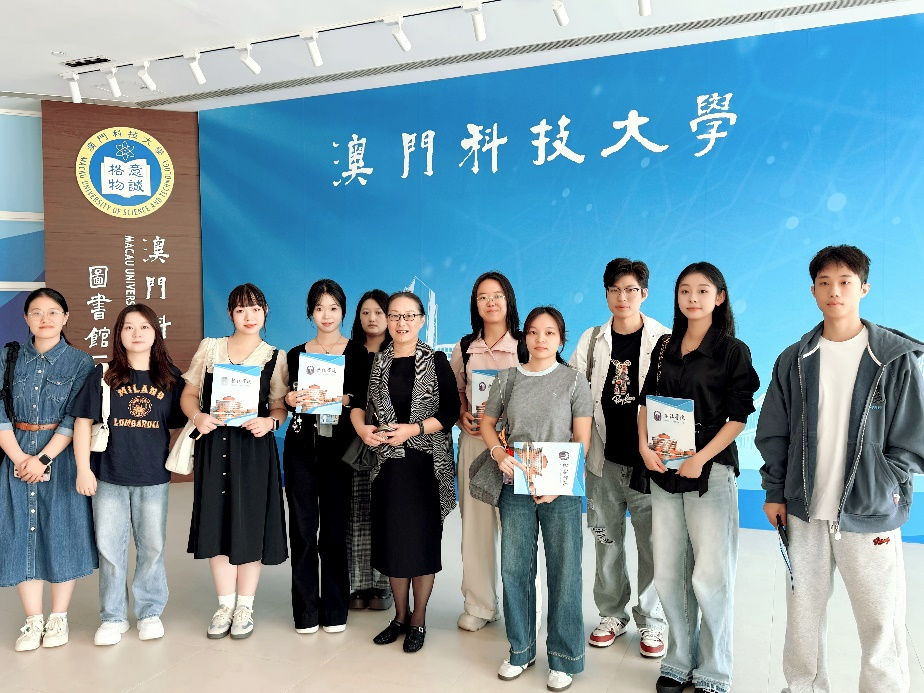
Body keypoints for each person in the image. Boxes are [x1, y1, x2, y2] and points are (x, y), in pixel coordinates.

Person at [756, 245, 923, 693]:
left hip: (870, 512)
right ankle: (803, 687)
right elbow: (773, 432)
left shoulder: (894, 359)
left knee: (880, 623)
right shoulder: (794, 359)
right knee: (803, 619)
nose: (835, 291)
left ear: (863, 288)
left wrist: (886, 483)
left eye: (845, 282)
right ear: (813, 291)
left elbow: (914, 437)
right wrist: (774, 492)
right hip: (804, 511)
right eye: (825, 283)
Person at [638, 262, 759, 693]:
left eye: (703, 290)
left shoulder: (732, 351)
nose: (693, 298)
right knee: (669, 573)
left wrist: (700, 458)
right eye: (685, 290)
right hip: (663, 471)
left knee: (711, 576)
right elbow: (645, 403)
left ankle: (714, 670)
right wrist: (644, 446)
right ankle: (678, 660)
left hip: (711, 472)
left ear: (719, 297)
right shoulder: (664, 345)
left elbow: (738, 417)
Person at [481, 306, 593, 693]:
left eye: (549, 333)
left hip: (560, 488)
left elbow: (582, 440)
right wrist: (498, 452)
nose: (540, 339)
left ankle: (564, 658)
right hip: (516, 482)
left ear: (561, 339)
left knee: (564, 572)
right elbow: (488, 423)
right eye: (533, 332)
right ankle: (521, 650)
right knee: (515, 569)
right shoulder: (507, 378)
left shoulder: (574, 380)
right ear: (524, 337)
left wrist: (560, 484)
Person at [569, 258, 670, 657]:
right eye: (614, 290)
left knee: (653, 544)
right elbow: (574, 391)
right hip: (602, 461)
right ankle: (611, 613)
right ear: (607, 294)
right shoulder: (592, 339)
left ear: (644, 293)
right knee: (605, 539)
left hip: (650, 465)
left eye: (630, 290)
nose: (622, 297)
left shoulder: (664, 339)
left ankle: (652, 620)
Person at [71, 304, 186, 646]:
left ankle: (150, 612)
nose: (137, 334)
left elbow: (182, 420)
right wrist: (83, 469)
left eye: (144, 327)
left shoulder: (170, 377)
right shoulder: (104, 375)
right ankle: (113, 617)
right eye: (129, 327)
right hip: (108, 476)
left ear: (155, 334)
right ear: (119, 334)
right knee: (109, 549)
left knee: (152, 548)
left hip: (153, 477)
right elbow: (82, 423)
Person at [350, 291, 457, 653]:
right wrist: (364, 428)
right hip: (388, 466)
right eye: (394, 315)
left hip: (426, 464)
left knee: (422, 543)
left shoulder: (436, 360)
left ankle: (419, 619)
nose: (401, 322)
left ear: (422, 320)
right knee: (394, 542)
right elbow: (361, 406)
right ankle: (399, 616)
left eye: (409, 316)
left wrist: (414, 429)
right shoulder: (377, 362)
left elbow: (450, 412)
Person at [181, 283, 289, 640]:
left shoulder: (275, 356)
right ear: (230, 314)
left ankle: (245, 606)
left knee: (250, 523)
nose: (249, 316)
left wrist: (270, 423)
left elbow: (279, 406)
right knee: (217, 521)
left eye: (255, 309)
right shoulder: (210, 348)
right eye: (241, 309)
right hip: (214, 445)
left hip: (253, 450)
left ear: (265, 312)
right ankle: (224, 605)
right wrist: (198, 417)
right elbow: (189, 394)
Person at [0, 288, 95, 652]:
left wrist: (42, 459)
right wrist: (18, 458)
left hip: (60, 455)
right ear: (26, 318)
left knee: (61, 531)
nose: (45, 319)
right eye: (37, 312)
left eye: (53, 312)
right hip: (15, 453)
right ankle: (33, 620)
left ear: (65, 317)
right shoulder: (8, 357)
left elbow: (75, 417)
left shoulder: (81, 362)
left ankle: (58, 617)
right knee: (20, 532)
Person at [449, 271, 525, 632]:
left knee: (518, 529)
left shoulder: (525, 344)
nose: (490, 302)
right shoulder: (465, 346)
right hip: (475, 444)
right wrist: (461, 414)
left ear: (509, 300)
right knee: (476, 527)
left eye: (497, 295)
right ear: (474, 304)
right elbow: (456, 393)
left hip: (516, 449)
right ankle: (480, 605)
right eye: (482, 296)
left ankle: (523, 608)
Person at [282, 279, 354, 634]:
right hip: (301, 450)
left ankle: (335, 609)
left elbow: (366, 399)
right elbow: (282, 398)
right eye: (319, 308)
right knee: (302, 530)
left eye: (333, 308)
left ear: (343, 311)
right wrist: (288, 399)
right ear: (310, 312)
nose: (327, 315)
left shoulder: (357, 353)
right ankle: (306, 611)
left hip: (340, 452)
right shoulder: (295, 354)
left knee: (335, 533)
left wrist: (344, 399)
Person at [344, 289, 393, 611]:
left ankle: (383, 585)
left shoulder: (400, 352)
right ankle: (357, 585)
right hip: (353, 442)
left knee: (384, 513)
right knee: (356, 513)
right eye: (365, 312)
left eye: (379, 312)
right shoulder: (349, 352)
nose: (372, 318)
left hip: (390, 443)